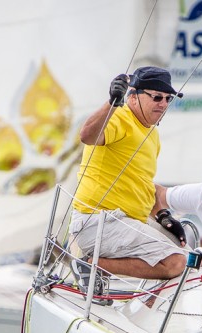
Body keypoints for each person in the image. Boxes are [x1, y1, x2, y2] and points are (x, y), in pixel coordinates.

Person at [69, 66, 186, 280]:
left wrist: (162, 215)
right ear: (133, 97)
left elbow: (142, 183)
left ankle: (150, 307)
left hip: (127, 222)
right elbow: (87, 136)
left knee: (192, 256)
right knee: (175, 262)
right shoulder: (120, 118)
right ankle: (88, 265)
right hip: (99, 222)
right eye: (157, 97)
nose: (163, 104)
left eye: (169, 99)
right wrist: (112, 102)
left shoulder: (152, 133)